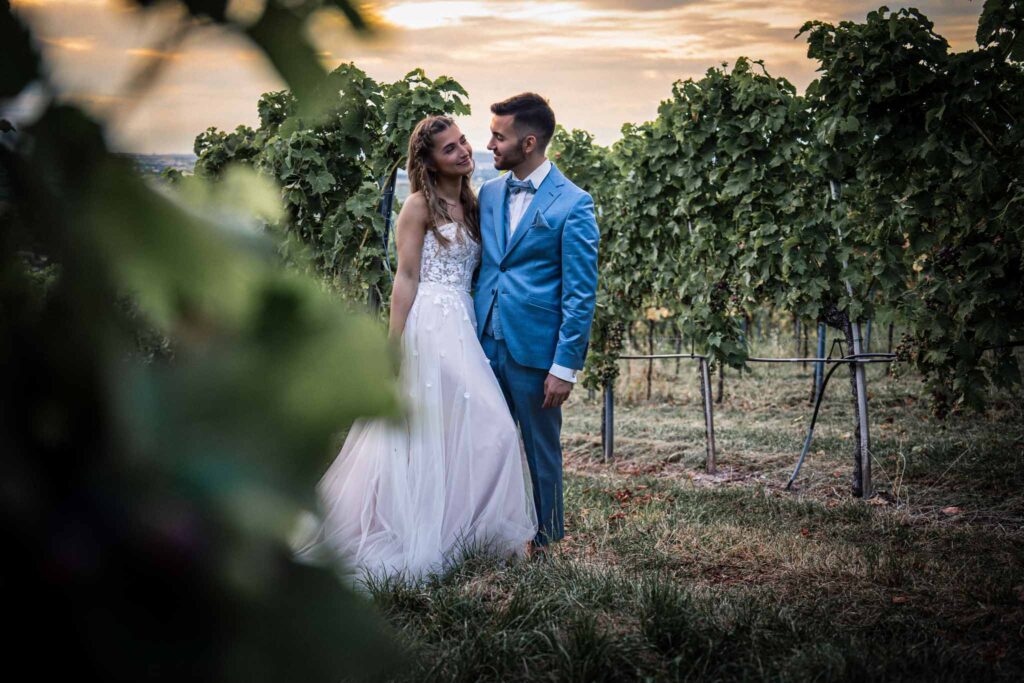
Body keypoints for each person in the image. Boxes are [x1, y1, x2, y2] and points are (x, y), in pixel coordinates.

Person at [293, 115, 537, 583]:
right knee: (491, 428)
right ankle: (439, 536)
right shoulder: (418, 207)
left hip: (464, 324)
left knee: (463, 432)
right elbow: (405, 279)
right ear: (427, 161)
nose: (464, 151)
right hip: (431, 326)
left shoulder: (472, 200)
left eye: (463, 141)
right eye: (449, 148)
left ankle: (465, 533)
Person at [474, 93, 600, 552]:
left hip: (535, 351)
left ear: (528, 143)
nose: (489, 144)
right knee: (486, 445)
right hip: (483, 342)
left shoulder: (575, 204)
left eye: (498, 136)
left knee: (540, 452)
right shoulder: (487, 194)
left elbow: (581, 294)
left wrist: (564, 367)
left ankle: (546, 540)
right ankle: (491, 536)